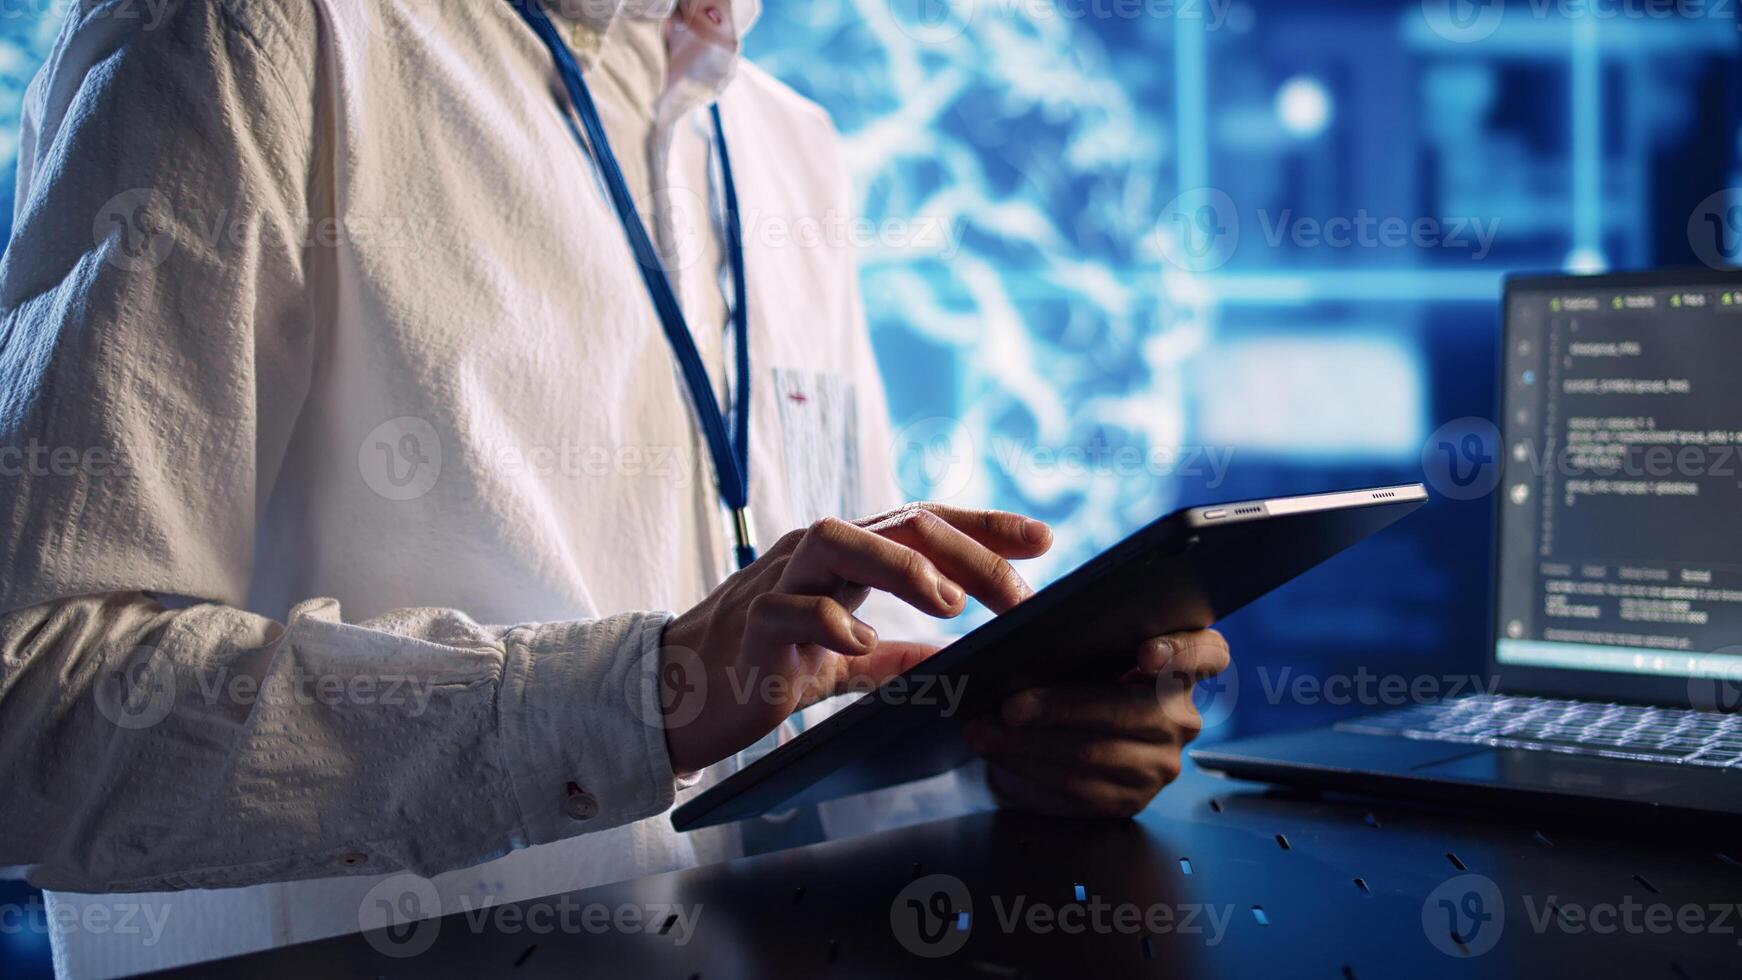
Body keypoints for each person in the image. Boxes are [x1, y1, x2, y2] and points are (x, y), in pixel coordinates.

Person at [0, 0, 1229, 974]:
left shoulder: (786, 140)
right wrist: (639, 695)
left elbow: (823, 683)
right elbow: (32, 710)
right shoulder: (243, 33)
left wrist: (1009, 747)